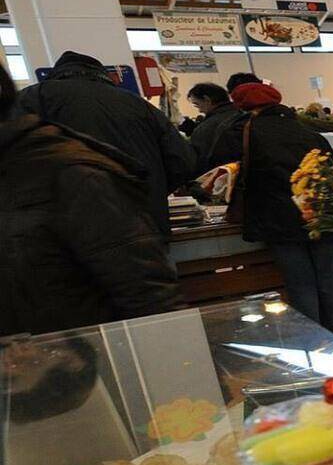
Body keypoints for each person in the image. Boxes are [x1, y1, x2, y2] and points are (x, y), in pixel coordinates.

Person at [0, 60, 178, 334]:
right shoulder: (133, 103)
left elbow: (147, 294)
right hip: (44, 358)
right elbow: (183, 160)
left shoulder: (63, 171)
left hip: (82, 359)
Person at [211, 82, 333, 336]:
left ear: (242, 105)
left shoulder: (243, 131)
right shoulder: (307, 129)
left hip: (279, 219)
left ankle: (316, 340)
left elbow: (218, 170)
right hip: (323, 215)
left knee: (301, 284)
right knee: (331, 281)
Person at [16, 50, 195, 236]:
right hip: (144, 228)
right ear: (104, 76)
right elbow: (184, 162)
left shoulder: (32, 98)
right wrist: (151, 191)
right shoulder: (140, 105)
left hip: (66, 234)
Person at [185, 82, 245, 172]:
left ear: (207, 100)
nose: (200, 110)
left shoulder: (206, 127)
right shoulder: (244, 115)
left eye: (197, 105)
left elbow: (199, 160)